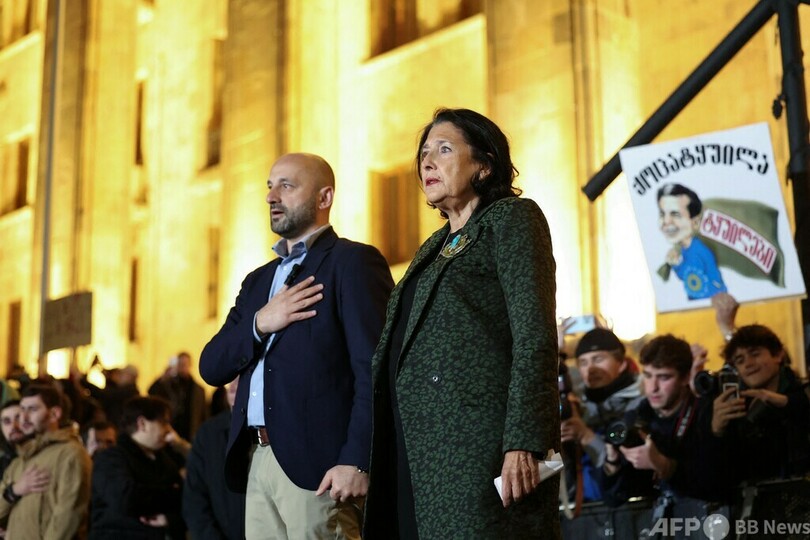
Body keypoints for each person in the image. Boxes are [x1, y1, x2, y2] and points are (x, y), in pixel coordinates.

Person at [363, 108, 560, 538]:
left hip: (479, 447)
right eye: (424, 154)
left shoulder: (511, 219)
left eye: (444, 150)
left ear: (484, 165)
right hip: (416, 448)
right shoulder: (432, 247)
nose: (427, 162)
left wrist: (524, 440)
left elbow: (535, 336)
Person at [199, 152, 393, 539]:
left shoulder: (352, 263)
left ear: (324, 197)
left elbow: (375, 369)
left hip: (321, 468)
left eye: (286, 186)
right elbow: (211, 365)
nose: (272, 196)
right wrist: (260, 322)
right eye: (270, 187)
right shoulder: (257, 282)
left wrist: (358, 459)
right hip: (257, 461)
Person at [600, 335, 727, 528]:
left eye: (664, 377)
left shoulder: (706, 413)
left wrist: (664, 465)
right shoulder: (637, 417)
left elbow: (717, 484)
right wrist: (613, 462)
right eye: (648, 375)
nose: (653, 388)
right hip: (656, 528)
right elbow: (613, 499)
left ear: (686, 377)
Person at [711, 324, 810, 482]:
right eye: (740, 360)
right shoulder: (735, 407)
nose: (748, 364)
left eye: (755, 354)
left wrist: (787, 403)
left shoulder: (803, 392)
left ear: (778, 355)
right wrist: (717, 432)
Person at [559, 327, 641, 502]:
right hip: (582, 510)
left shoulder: (640, 404)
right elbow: (558, 473)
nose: (591, 369)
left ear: (622, 363)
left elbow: (628, 469)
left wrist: (585, 436)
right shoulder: (576, 407)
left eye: (598, 359)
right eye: (583, 362)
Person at [0, 384, 92, 538]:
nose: (24, 417)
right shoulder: (22, 459)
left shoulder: (70, 454)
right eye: (22, 409)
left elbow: (67, 518)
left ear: (54, 414)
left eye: (32, 409)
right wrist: (14, 490)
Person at [90, 396, 186, 539]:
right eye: (164, 422)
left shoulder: (166, 460)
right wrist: (173, 493)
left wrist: (170, 519)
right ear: (142, 423)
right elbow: (126, 499)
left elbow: (188, 501)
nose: (169, 430)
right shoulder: (111, 458)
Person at [183, 377, 245, 540]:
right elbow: (194, 498)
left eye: (244, 378)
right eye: (232, 379)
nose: (233, 386)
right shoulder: (209, 434)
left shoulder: (278, 432)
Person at [657, 183, 727, 300]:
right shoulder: (683, 249)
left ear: (695, 222)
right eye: (662, 214)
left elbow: (714, 282)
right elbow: (686, 276)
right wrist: (677, 264)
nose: (666, 221)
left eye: (675, 214)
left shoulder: (700, 250)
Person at [149, 352, 207, 440]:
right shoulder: (169, 384)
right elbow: (152, 392)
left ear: (190, 365)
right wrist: (163, 377)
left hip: (190, 432)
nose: (182, 367)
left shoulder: (199, 390)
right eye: (180, 364)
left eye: (185, 364)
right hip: (171, 429)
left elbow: (203, 414)